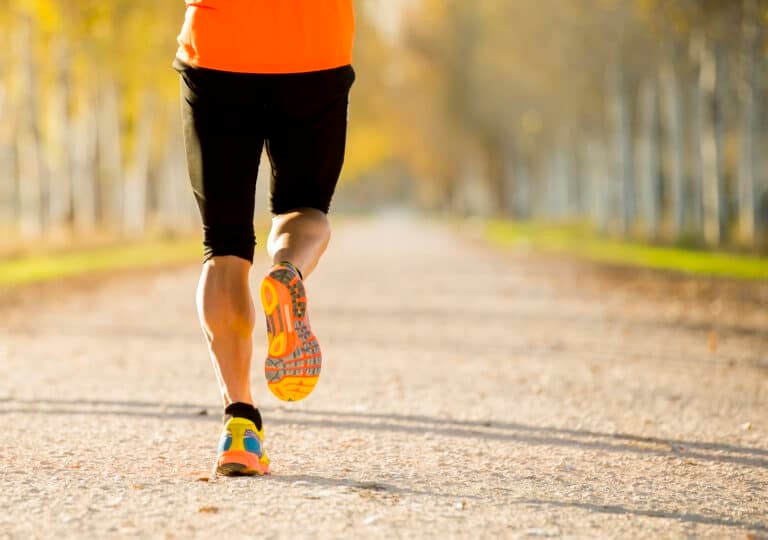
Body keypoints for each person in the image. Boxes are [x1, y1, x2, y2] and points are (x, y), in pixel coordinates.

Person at [173, 0, 355, 476]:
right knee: (305, 209)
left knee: (224, 247)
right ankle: (288, 269)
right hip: (316, 48)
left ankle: (240, 428)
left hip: (218, 49)